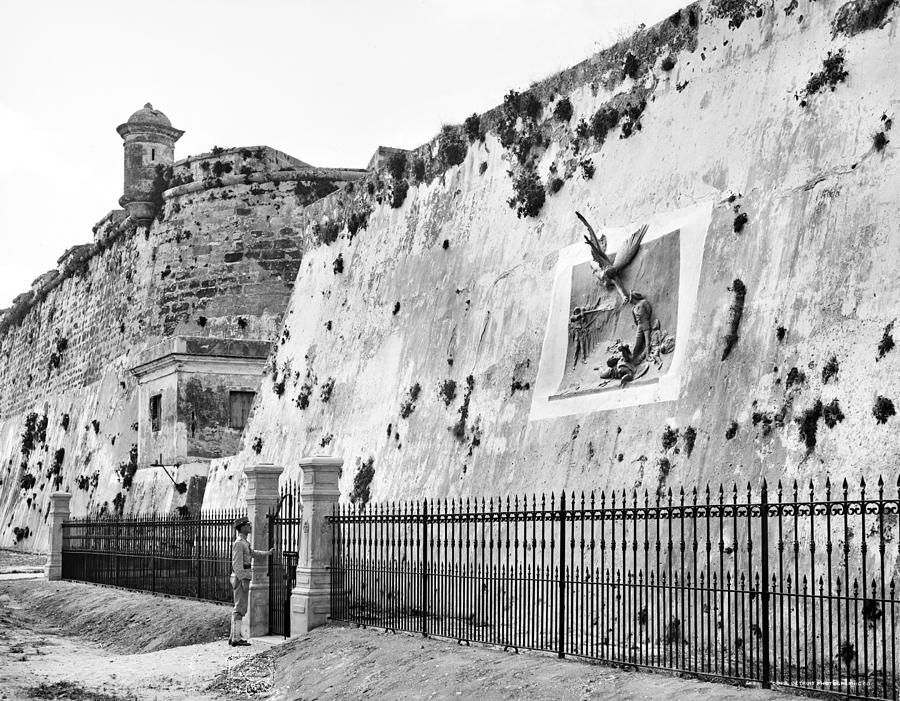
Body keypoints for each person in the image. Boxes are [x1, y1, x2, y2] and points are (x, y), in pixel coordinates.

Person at [229, 516, 275, 646]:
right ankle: (236, 639)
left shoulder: (244, 543)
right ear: (242, 527)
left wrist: (267, 553)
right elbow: (236, 565)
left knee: (240, 607)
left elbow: (253, 553)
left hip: (243, 577)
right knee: (240, 607)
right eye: (248, 525)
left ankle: (233, 637)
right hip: (241, 578)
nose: (250, 527)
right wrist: (243, 578)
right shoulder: (239, 543)